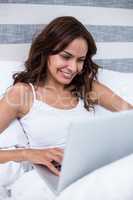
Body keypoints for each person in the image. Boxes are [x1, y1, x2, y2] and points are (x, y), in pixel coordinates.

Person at [0, 16, 133, 178]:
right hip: (55, 177)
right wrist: (28, 154)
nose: (73, 67)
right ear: (46, 51)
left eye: (80, 60)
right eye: (66, 56)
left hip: (95, 171)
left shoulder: (87, 87)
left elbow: (129, 114)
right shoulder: (22, 94)